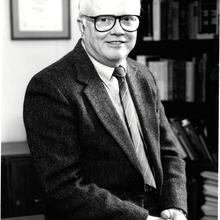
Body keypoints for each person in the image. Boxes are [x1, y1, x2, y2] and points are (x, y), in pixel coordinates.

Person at [23, 0, 188, 219]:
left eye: (128, 19)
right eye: (105, 20)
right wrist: (143, 218)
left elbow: (169, 152)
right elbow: (63, 187)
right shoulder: (50, 87)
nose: (119, 30)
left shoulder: (143, 75)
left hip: (159, 211)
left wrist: (175, 206)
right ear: (83, 26)